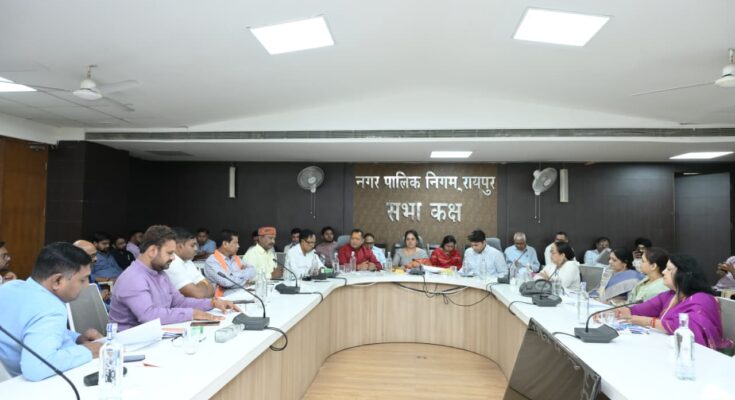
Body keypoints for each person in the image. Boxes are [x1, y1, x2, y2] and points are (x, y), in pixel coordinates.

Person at [0, 242, 103, 381]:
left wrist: (76, 338)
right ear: (57, 281)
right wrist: (89, 350)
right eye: (82, 280)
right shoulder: (50, 309)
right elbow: (37, 367)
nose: (86, 286)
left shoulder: (11, 287)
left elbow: (32, 328)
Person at [109, 225, 238, 331]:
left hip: (154, 336)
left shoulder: (160, 273)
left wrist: (213, 303)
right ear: (152, 251)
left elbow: (179, 302)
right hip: (129, 346)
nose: (173, 258)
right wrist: (193, 313)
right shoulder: (133, 278)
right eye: (170, 253)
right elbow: (149, 315)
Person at [616, 254, 732, 350]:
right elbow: (641, 309)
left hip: (698, 353)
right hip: (671, 347)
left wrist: (649, 322)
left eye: (669, 269)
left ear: (684, 274)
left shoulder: (702, 299)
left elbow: (690, 329)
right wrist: (622, 311)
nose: (663, 272)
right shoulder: (671, 294)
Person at [203, 229, 256, 297]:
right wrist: (245, 278)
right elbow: (227, 282)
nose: (238, 246)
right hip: (225, 298)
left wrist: (231, 275)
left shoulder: (236, 258)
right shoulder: (212, 261)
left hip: (244, 293)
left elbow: (253, 270)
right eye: (235, 243)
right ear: (225, 244)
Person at [165, 227, 214, 299]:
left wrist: (198, 287)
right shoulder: (172, 263)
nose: (196, 249)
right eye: (192, 245)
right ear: (180, 247)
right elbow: (197, 295)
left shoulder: (188, 261)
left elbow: (211, 289)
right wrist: (202, 286)